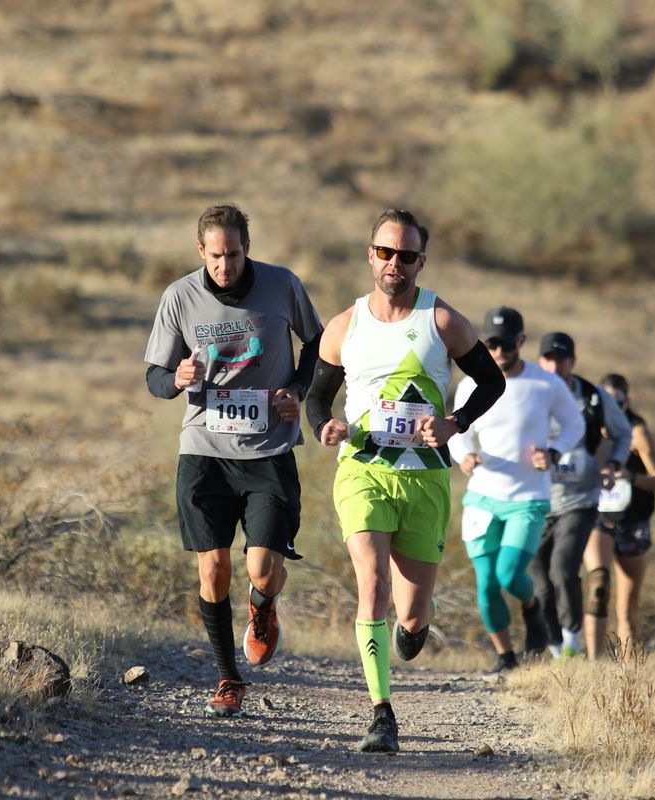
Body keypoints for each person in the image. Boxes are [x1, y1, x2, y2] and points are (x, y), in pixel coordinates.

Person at [305, 209, 505, 753]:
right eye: (386, 252)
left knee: (413, 611)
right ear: (371, 254)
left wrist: (454, 423)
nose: (396, 263)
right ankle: (381, 713)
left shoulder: (442, 321)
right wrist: (325, 424)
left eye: (407, 255)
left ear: (421, 260)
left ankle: (412, 629)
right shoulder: (344, 326)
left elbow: (491, 382)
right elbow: (317, 396)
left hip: (425, 480)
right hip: (364, 471)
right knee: (371, 584)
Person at [144, 204, 324, 718]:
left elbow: (316, 346)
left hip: (269, 449)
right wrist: (176, 378)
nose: (226, 265)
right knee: (214, 569)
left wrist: (296, 387)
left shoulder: (283, 285)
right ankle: (228, 677)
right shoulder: (179, 297)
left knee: (263, 570)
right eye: (216, 256)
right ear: (201, 252)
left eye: (235, 254)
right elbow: (155, 379)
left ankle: (263, 608)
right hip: (204, 450)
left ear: (249, 247)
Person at [447, 307, 584, 674]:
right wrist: (463, 455)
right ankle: (506, 657)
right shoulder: (469, 383)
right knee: (487, 584)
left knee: (510, 575)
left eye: (506, 344)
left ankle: (532, 607)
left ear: (521, 342)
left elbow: (575, 424)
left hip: (528, 497)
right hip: (482, 495)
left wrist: (554, 453)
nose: (498, 351)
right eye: (490, 343)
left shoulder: (545, 384)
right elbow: (459, 433)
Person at [532, 332, 632, 660]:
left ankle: (573, 643)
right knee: (540, 582)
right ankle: (557, 650)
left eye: (561, 358)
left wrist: (614, 462)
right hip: (533, 500)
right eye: (548, 358)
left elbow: (623, 433)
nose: (554, 364)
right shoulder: (527, 394)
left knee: (562, 569)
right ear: (539, 361)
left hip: (580, 500)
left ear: (573, 362)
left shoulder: (594, 397)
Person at [582, 374, 655, 660]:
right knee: (598, 586)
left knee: (626, 608)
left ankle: (627, 672)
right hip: (598, 519)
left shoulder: (637, 431)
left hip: (633, 523)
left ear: (627, 401)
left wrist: (630, 476)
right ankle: (593, 665)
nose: (612, 408)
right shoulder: (587, 426)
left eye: (617, 402)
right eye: (606, 401)